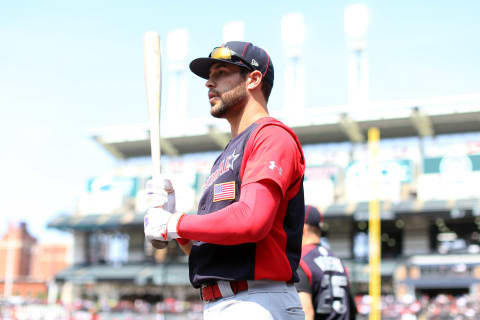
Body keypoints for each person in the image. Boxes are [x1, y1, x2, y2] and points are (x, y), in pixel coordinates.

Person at [144, 41, 306, 319]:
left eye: (220, 73)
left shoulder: (270, 136)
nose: (209, 83)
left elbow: (251, 220)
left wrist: (174, 223)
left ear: (253, 79)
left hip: (257, 301)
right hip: (227, 302)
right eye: (210, 76)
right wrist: (174, 223)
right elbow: (211, 250)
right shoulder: (228, 153)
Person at [295, 205, 357, 320]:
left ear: (302, 229)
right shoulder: (339, 262)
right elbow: (352, 310)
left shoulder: (301, 261)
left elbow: (306, 313)